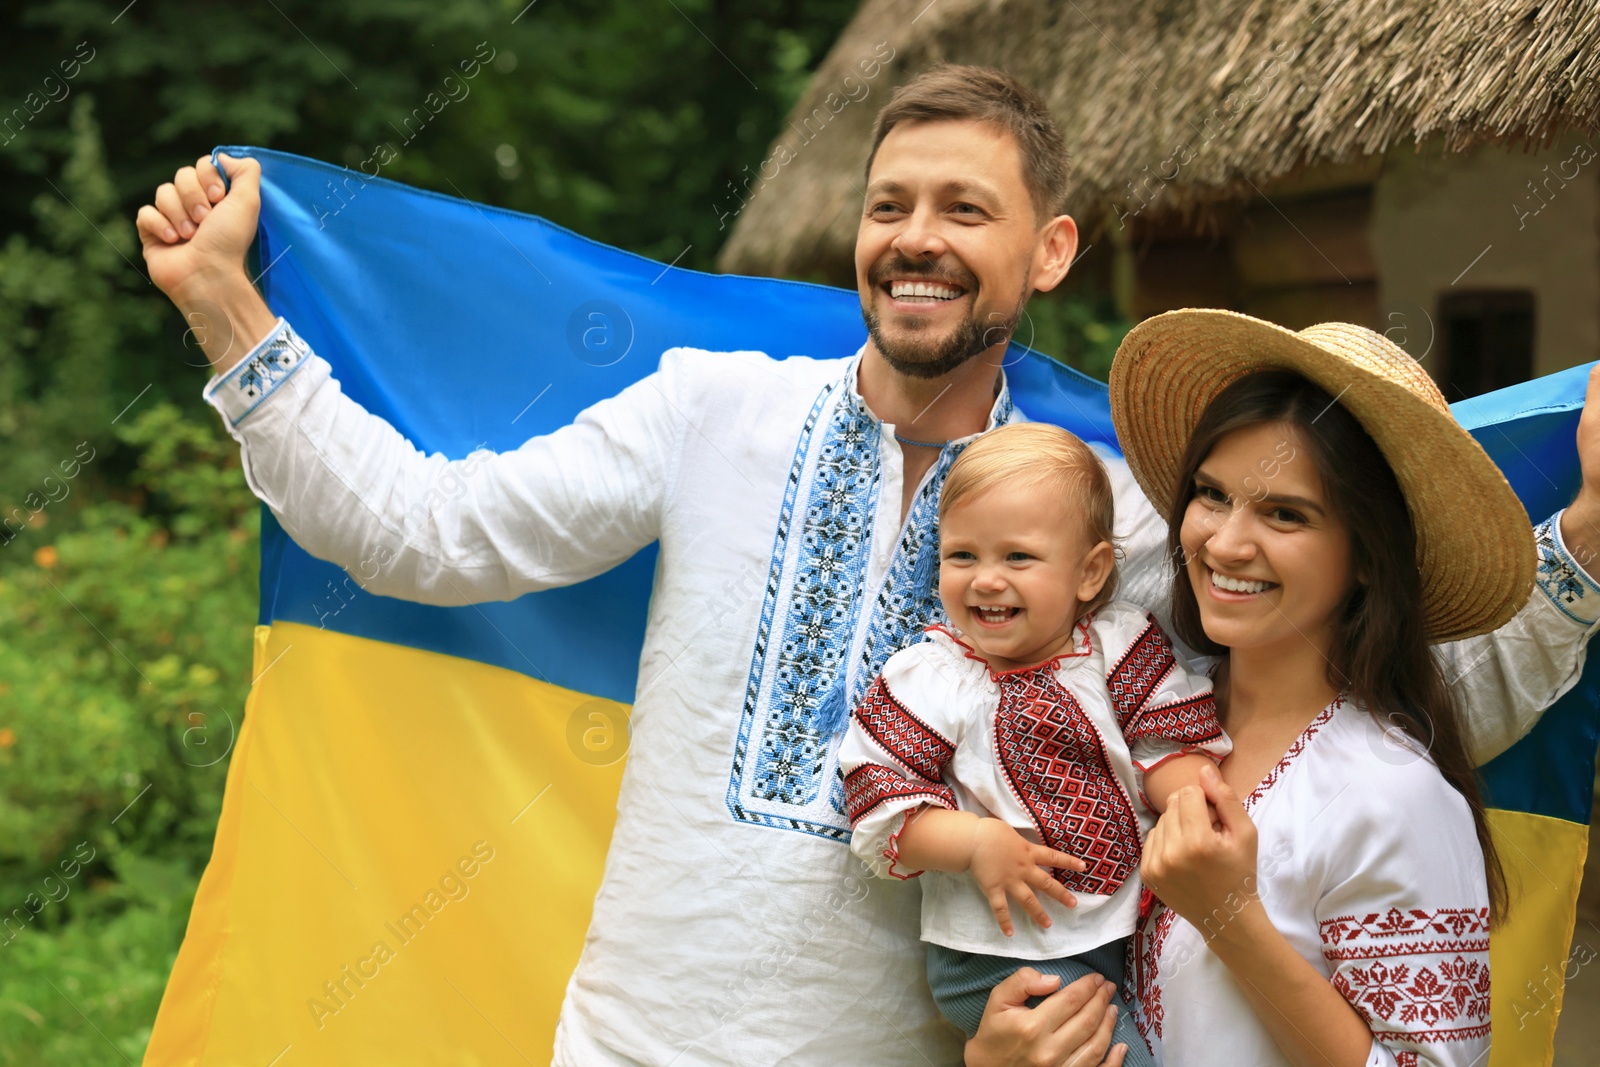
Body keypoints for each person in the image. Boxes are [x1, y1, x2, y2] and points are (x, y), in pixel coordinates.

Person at [134, 62, 1600, 1065]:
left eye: (966, 209)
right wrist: (225, 312)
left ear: (1050, 251)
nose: (917, 239)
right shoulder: (705, 409)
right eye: (892, 204)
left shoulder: (1120, 520)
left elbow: (1362, 683)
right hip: (630, 1038)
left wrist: (1585, 536)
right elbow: (422, 531)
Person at [1113, 311, 1512, 1065]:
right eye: (1211, 494)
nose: (1225, 543)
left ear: (1368, 554)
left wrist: (1231, 917)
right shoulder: (1140, 711)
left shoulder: (1393, 796)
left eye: (1285, 513)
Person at [839, 422, 1230, 1064]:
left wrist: (1186, 797)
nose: (986, 580)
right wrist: (975, 842)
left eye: (1017, 557)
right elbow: (880, 805)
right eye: (962, 556)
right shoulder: (933, 678)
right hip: (995, 960)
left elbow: (1164, 740)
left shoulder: (1117, 644)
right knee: (1118, 1057)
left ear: (1090, 572)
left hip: (1121, 932)